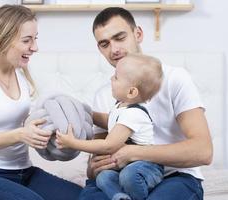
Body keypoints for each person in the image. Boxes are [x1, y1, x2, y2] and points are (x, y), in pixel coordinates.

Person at [79, 7, 213, 200]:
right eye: (104, 43)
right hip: (119, 180)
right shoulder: (103, 94)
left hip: (175, 176)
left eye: (120, 37)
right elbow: (98, 162)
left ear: (138, 34)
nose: (114, 49)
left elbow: (203, 151)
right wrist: (93, 167)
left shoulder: (175, 79)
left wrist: (135, 152)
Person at [0, 5, 81, 200]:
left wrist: (57, 131)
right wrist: (20, 134)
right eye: (26, 40)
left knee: (86, 196)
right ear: (2, 39)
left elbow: (27, 124)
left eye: (35, 39)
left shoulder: (19, 74)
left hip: (24, 172)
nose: (35, 47)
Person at [56, 54, 164, 200]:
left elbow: (108, 146)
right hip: (126, 166)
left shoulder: (134, 114)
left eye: (116, 77)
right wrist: (87, 113)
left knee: (128, 176)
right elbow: (110, 121)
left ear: (131, 92)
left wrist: (73, 143)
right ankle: (119, 197)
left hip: (146, 167)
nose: (111, 79)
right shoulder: (121, 106)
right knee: (103, 177)